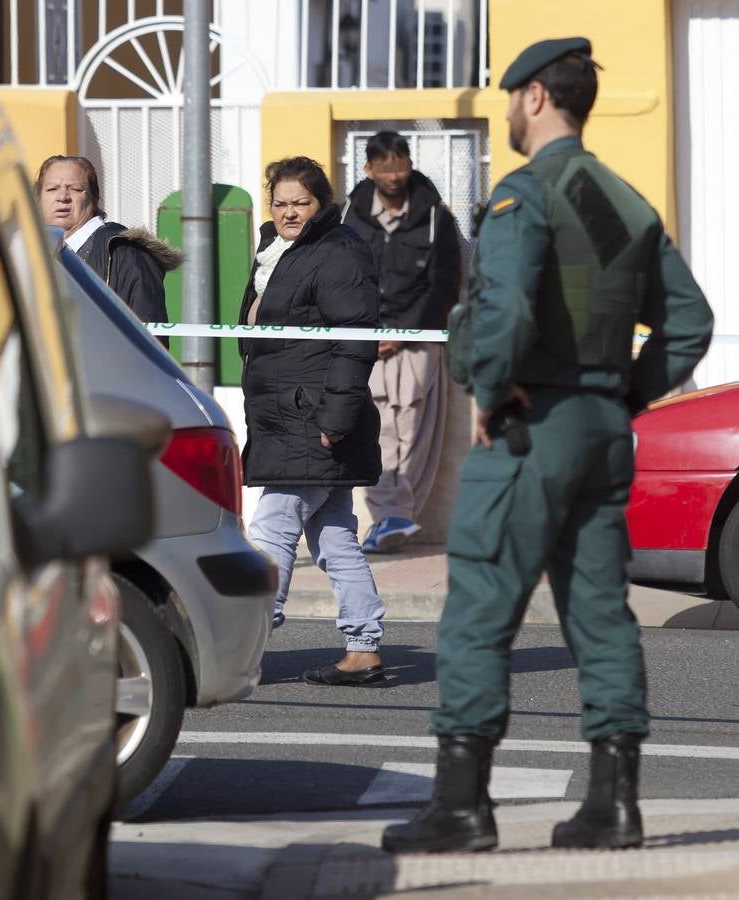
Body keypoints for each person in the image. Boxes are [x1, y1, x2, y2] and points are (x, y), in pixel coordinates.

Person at [382, 37, 713, 854]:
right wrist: (623, 395)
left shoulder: (523, 195)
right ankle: (614, 807)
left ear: (533, 97)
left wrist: (491, 390)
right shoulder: (625, 202)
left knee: (479, 612)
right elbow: (690, 323)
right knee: (600, 615)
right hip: (602, 430)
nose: (503, 112)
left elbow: (505, 309)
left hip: (532, 427)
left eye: (507, 97)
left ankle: (460, 810)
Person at [239, 156, 386, 686]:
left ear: (322, 202)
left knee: (273, 528)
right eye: (280, 203)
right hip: (288, 411)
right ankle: (363, 645)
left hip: (312, 416)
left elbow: (355, 338)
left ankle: (247, 642)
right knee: (334, 535)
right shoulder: (274, 248)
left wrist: (337, 417)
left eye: (301, 202)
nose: (289, 212)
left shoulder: (339, 250)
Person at [342, 132, 461, 553]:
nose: (393, 174)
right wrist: (368, 330)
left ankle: (396, 516)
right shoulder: (349, 217)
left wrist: (402, 332)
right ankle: (390, 516)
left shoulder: (436, 218)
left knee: (413, 429)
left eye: (400, 164)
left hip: (419, 341)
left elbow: (444, 283)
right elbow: (342, 277)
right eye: (384, 166)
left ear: (409, 164)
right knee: (376, 427)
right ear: (368, 169)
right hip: (363, 339)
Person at [35, 155, 179, 344]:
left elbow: (149, 342)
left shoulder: (127, 252)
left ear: (94, 198)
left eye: (75, 189)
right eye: (52, 189)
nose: (62, 197)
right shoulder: (30, 254)